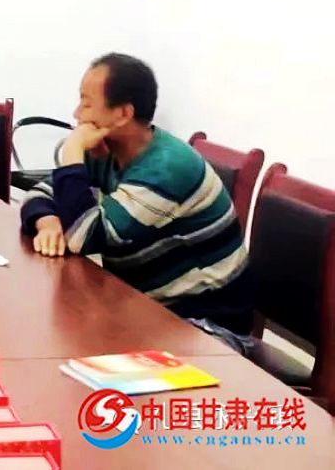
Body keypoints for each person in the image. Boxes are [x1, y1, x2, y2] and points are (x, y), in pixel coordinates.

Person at [19, 53, 253, 348]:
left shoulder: (166, 168)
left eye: (87, 104)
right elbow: (40, 193)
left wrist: (72, 152)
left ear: (123, 114)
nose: (77, 114)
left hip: (204, 328)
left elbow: (83, 237)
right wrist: (49, 222)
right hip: (144, 309)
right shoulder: (111, 151)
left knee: (66, 348)